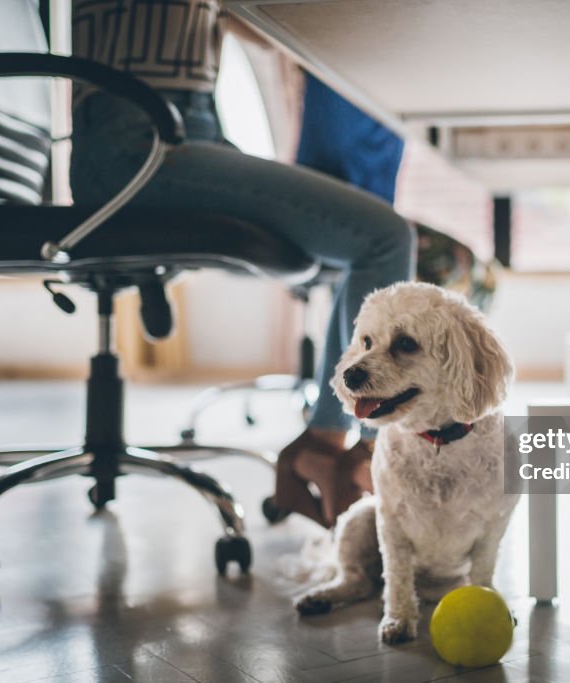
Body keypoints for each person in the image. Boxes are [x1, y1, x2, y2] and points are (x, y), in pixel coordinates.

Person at [69, 1, 415, 527]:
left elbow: (264, 32)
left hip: (175, 132)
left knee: (365, 239)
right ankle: (366, 451)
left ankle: (330, 441)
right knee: (382, 237)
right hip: (137, 143)